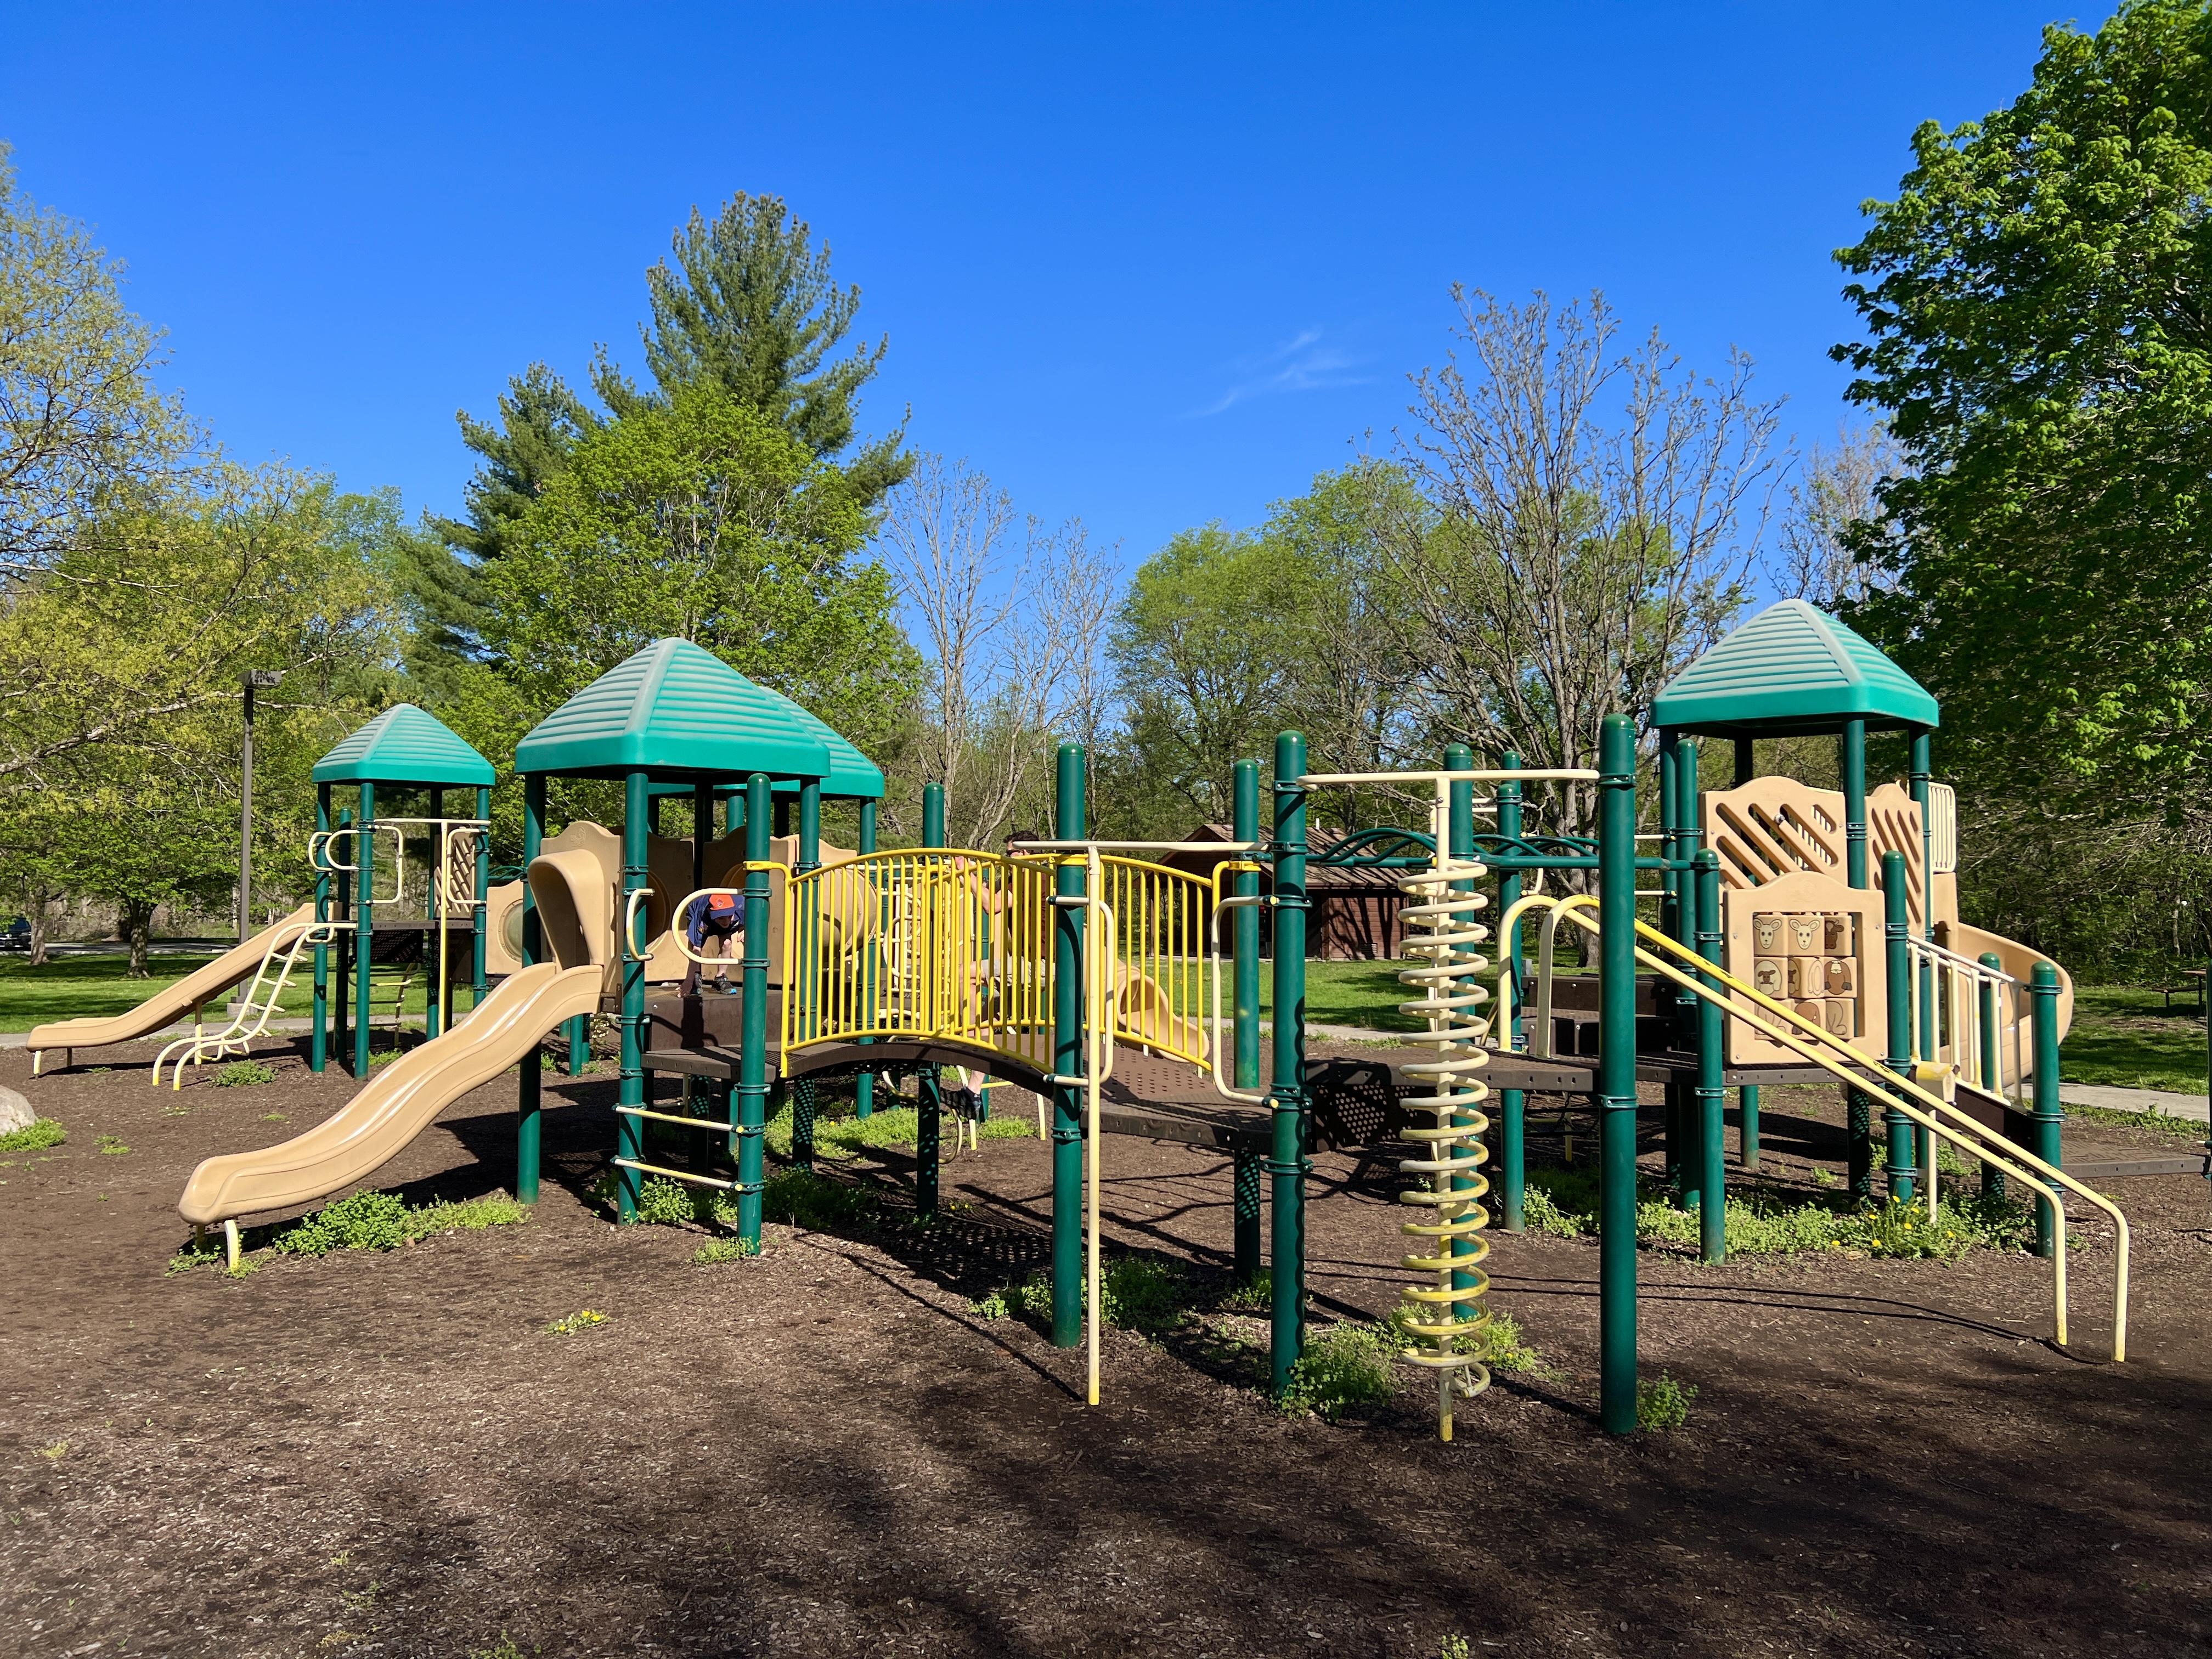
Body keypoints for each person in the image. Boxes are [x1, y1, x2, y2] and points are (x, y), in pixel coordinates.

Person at [685, 889, 743, 992]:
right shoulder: (702, 915)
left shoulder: (741, 906)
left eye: (730, 916)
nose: (726, 922)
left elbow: (757, 918)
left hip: (720, 917)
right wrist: (688, 979)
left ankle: (720, 977)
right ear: (710, 911)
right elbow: (696, 947)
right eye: (721, 918)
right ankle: (695, 975)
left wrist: (745, 929)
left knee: (727, 943)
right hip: (701, 915)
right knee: (695, 944)